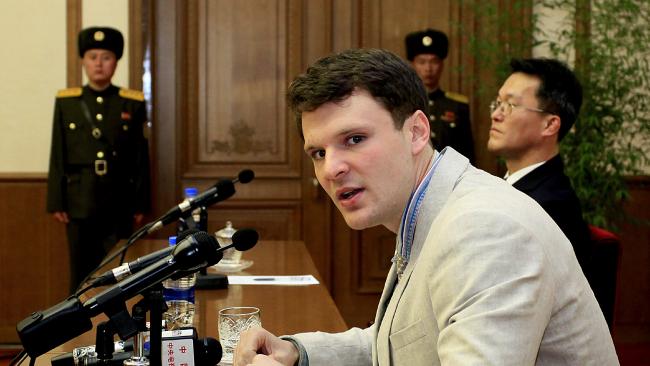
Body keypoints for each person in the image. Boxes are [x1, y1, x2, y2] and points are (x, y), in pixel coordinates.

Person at [233, 49, 618, 365]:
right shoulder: (429, 205)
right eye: (318, 152)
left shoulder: (485, 230)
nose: (331, 169)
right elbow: (401, 345)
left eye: (354, 139)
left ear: (417, 131)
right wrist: (299, 353)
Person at [46, 26, 151, 294]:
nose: (99, 63)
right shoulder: (67, 102)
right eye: (92, 56)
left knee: (119, 272)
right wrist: (57, 200)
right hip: (79, 201)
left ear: (116, 62)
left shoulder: (132, 103)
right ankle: (76, 332)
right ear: (83, 61)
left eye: (106, 57)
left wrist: (141, 201)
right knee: (80, 273)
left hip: (120, 202)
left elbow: (140, 157)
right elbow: (58, 153)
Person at [486, 58, 592, 273]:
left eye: (510, 105)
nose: (496, 115)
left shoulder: (549, 206)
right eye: (497, 103)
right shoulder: (510, 189)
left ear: (550, 124)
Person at [405, 28, 475, 163]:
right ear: (413, 64)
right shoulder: (403, 103)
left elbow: (467, 152)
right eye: (422, 62)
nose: (428, 68)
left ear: (442, 64)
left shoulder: (457, 105)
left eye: (434, 61)